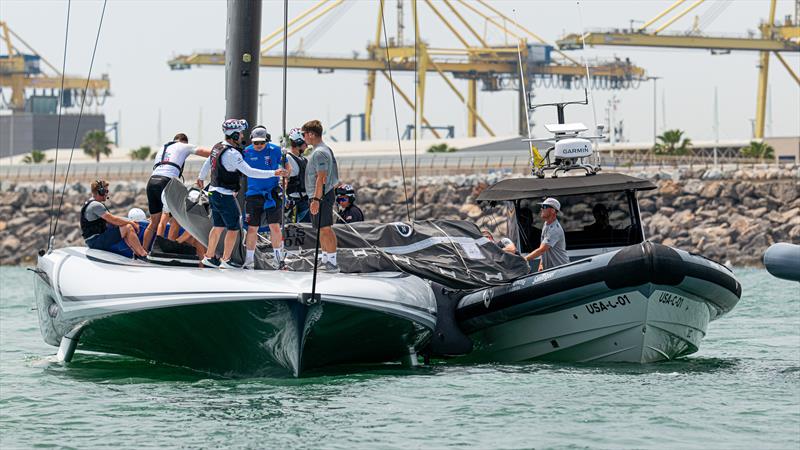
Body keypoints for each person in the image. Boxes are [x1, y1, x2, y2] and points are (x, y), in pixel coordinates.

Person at [197, 119, 288, 269]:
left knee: (218, 226)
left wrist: (201, 177)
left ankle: (209, 256)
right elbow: (249, 172)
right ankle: (226, 260)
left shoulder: (217, 147)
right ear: (233, 135)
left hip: (213, 192)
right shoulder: (233, 154)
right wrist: (274, 172)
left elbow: (208, 162)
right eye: (239, 133)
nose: (241, 136)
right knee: (233, 228)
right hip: (224, 194)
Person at [142, 133, 210, 252]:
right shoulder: (183, 146)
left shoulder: (163, 147)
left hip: (152, 182)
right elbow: (210, 153)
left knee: (154, 222)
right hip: (166, 182)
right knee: (176, 219)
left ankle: (141, 253)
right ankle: (167, 249)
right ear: (184, 142)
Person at [242, 126, 287, 269]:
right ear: (251, 141)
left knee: (274, 226)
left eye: (262, 142)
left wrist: (285, 173)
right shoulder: (246, 152)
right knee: (252, 228)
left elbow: (287, 168)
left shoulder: (275, 150)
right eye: (256, 143)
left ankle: (278, 259)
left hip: (272, 194)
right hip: (253, 194)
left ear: (266, 140)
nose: (259, 145)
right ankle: (249, 261)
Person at [302, 119, 339, 272]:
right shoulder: (325, 149)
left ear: (311, 134)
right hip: (323, 194)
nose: (303, 137)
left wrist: (316, 199)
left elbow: (321, 177)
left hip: (321, 195)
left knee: (325, 229)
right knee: (321, 229)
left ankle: (332, 262)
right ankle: (325, 260)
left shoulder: (319, 153)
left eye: (304, 134)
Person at [80, 179, 148, 260]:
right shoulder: (96, 205)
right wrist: (131, 222)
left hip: (93, 240)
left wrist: (125, 222)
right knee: (128, 227)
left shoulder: (91, 202)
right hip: (95, 241)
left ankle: (136, 253)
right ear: (100, 191)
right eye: (106, 191)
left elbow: (112, 221)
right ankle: (143, 255)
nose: (107, 193)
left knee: (123, 227)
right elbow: (113, 220)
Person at [524, 197, 569, 271]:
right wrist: (541, 264)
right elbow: (544, 248)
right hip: (552, 270)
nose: (541, 209)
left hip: (561, 269)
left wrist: (524, 259)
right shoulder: (546, 224)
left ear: (553, 210)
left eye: (544, 207)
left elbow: (541, 249)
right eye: (541, 206)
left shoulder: (554, 229)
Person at [284, 128, 310, 223]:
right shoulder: (287, 159)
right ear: (298, 143)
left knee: (308, 230)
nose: (307, 146)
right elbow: (283, 180)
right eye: (305, 144)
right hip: (293, 203)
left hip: (305, 201)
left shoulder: (304, 160)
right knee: (292, 231)